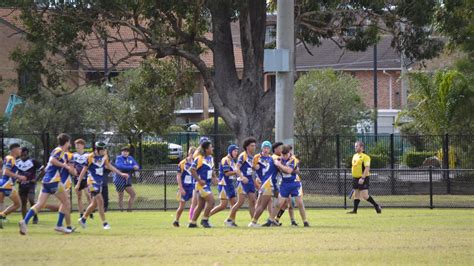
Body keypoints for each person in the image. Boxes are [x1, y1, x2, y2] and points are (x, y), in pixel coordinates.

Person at [19, 134, 76, 235]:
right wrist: (65, 166)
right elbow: (52, 160)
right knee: (66, 202)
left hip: (46, 181)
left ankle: (24, 222)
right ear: (66, 142)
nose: (70, 144)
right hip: (53, 181)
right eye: (69, 142)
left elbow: (49, 165)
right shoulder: (59, 150)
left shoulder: (59, 151)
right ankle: (59, 225)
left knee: (39, 204)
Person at [76, 142, 129, 230]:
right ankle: (105, 223)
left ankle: (83, 219)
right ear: (97, 150)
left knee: (94, 204)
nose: (105, 151)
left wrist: (121, 173)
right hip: (91, 182)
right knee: (100, 201)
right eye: (103, 150)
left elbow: (109, 166)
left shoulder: (105, 156)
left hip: (99, 182)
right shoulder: (90, 157)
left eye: (105, 149)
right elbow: (83, 170)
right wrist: (78, 183)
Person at [273, 145, 309, 227]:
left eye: (286, 154)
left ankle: (305, 221)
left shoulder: (293, 159)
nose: (285, 156)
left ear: (289, 153)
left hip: (295, 184)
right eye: (283, 154)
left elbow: (289, 170)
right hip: (284, 184)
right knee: (280, 204)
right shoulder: (278, 159)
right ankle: (273, 220)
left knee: (299, 203)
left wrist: (280, 166)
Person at [225, 137, 257, 227]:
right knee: (240, 202)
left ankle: (253, 222)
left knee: (253, 201)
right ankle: (229, 220)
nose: (254, 147)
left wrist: (255, 168)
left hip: (250, 181)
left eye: (254, 145)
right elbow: (236, 168)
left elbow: (250, 168)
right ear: (247, 147)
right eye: (252, 146)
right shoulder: (243, 155)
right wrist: (242, 177)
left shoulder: (252, 157)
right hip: (242, 182)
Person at [249, 141, 278, 227]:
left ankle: (270, 219)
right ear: (262, 148)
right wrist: (255, 168)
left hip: (267, 182)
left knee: (268, 201)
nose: (266, 150)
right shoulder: (257, 157)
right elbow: (252, 169)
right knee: (262, 203)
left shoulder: (271, 158)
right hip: (262, 182)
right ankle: (255, 220)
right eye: (264, 148)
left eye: (268, 148)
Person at [347, 141, 382, 214]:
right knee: (356, 195)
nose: (355, 147)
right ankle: (355, 211)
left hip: (363, 178)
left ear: (361, 147)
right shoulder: (355, 156)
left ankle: (376, 206)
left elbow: (367, 168)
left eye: (357, 146)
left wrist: (362, 178)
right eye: (355, 146)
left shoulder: (365, 157)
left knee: (364, 196)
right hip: (355, 178)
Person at [189, 140, 216, 228]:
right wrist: (199, 180)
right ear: (206, 149)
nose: (212, 148)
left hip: (206, 184)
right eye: (211, 147)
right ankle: (204, 220)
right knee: (211, 201)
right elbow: (192, 169)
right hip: (201, 185)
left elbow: (211, 169)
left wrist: (214, 177)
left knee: (200, 205)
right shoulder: (199, 158)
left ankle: (192, 223)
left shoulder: (210, 158)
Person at [0, 144, 27, 229]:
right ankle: (2, 215)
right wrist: (19, 177)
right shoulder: (10, 158)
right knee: (17, 204)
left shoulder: (11, 159)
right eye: (19, 149)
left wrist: (16, 178)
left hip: (5, 183)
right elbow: (6, 172)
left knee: (1, 202)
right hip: (7, 185)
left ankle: (2, 216)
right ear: (14, 150)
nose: (20, 151)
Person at [209, 144, 239, 217]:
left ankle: (231, 221)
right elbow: (227, 173)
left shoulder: (232, 161)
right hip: (224, 185)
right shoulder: (225, 160)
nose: (236, 153)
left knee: (234, 204)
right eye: (235, 151)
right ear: (230, 151)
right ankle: (206, 216)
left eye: (237, 151)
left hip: (230, 185)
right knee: (223, 205)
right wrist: (237, 172)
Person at [16, 147, 44, 224]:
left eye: (21, 151)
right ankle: (24, 220)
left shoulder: (33, 161)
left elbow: (43, 170)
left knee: (31, 200)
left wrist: (36, 179)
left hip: (31, 184)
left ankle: (35, 216)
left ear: (25, 152)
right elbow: (14, 172)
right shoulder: (17, 162)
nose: (19, 152)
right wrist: (17, 178)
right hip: (21, 185)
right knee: (23, 202)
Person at [173, 146, 197, 227]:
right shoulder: (182, 163)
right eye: (192, 154)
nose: (193, 156)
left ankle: (191, 221)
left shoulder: (195, 163)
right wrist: (180, 187)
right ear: (189, 153)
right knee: (182, 206)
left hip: (192, 187)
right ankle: (176, 220)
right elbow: (178, 176)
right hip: (184, 187)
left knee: (194, 204)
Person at [113, 146, 139, 212]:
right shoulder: (119, 158)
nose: (125, 153)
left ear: (128, 153)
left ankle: (129, 210)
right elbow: (120, 166)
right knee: (121, 196)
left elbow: (136, 166)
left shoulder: (130, 158)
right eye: (124, 151)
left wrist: (136, 167)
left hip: (127, 180)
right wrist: (132, 167)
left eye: (127, 151)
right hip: (119, 179)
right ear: (121, 152)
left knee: (133, 194)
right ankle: (122, 211)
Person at [72, 139, 92, 219]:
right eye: (76, 145)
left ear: (83, 145)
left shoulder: (88, 155)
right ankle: (81, 213)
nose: (77, 146)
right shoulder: (73, 155)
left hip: (86, 178)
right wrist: (74, 171)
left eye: (79, 145)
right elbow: (72, 166)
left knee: (88, 195)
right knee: (79, 197)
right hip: (77, 178)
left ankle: (90, 212)